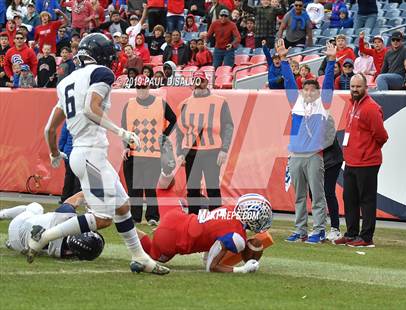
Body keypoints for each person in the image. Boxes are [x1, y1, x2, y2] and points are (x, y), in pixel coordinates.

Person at [27, 33, 169, 275]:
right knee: (102, 218)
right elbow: (90, 109)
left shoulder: (66, 81)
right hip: (91, 154)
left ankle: (140, 257)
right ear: (102, 54)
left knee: (122, 206)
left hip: (83, 154)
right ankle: (44, 236)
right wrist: (121, 132)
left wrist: (54, 154)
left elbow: (50, 128)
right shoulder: (101, 73)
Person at [280, 39, 336, 244]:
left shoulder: (323, 104)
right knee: (299, 197)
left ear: (318, 92)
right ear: (302, 91)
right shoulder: (296, 103)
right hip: (295, 156)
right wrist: (284, 59)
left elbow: (328, 82)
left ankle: (319, 230)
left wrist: (331, 60)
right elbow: (287, 81)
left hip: (313, 155)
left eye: (313, 90)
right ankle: (300, 230)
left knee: (317, 196)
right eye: (306, 89)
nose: (309, 92)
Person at [138, 193, 272, 273]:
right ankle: (127, 230)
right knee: (156, 257)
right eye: (262, 216)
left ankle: (129, 228)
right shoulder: (238, 238)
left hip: (176, 218)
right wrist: (242, 269)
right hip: (170, 238)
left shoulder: (230, 209)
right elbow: (211, 267)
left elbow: (213, 233)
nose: (263, 220)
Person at [334, 74, 388, 248]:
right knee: (350, 199)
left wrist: (367, 150)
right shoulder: (352, 104)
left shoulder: (371, 108)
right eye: (352, 86)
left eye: (358, 86)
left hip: (367, 162)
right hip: (351, 161)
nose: (355, 89)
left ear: (366, 87)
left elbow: (381, 136)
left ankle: (366, 238)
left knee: (367, 200)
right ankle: (351, 234)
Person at [121, 74, 177, 225]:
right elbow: (125, 128)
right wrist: (125, 147)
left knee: (150, 187)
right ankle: (135, 217)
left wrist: (164, 135)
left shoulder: (160, 103)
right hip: (133, 151)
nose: (141, 90)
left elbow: (174, 120)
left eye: (144, 87)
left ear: (149, 87)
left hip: (152, 152)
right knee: (134, 188)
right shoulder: (130, 104)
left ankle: (152, 216)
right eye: (138, 87)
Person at [176, 71, 234, 214]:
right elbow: (180, 130)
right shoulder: (185, 104)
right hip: (191, 151)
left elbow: (228, 126)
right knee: (192, 188)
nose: (198, 84)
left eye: (200, 80)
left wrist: (224, 149)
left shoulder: (220, 101)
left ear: (206, 82)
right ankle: (192, 221)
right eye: (195, 80)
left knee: (213, 187)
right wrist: (180, 152)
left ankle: (216, 219)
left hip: (212, 150)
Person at [0, 192, 104, 261]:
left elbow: (77, 198)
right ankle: (10, 244)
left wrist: (92, 197)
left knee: (36, 207)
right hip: (19, 246)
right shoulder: (64, 253)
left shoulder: (63, 217)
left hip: (18, 225)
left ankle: (2, 214)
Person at [58, 122, 81, 203]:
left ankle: (65, 197)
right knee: (78, 176)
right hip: (80, 152)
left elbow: (63, 137)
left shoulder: (68, 120)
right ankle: (75, 199)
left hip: (68, 152)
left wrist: (60, 150)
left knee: (69, 175)